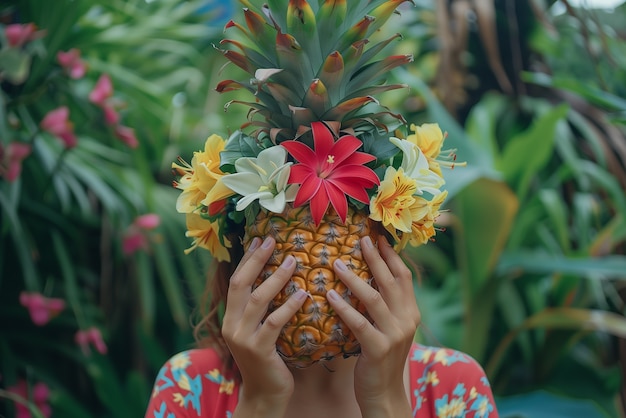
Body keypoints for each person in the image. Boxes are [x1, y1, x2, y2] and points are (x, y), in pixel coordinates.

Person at [145, 235, 498, 418]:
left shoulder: (455, 385)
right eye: (289, 224)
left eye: (341, 224)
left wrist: (385, 402)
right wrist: (260, 404)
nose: (318, 248)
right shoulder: (189, 384)